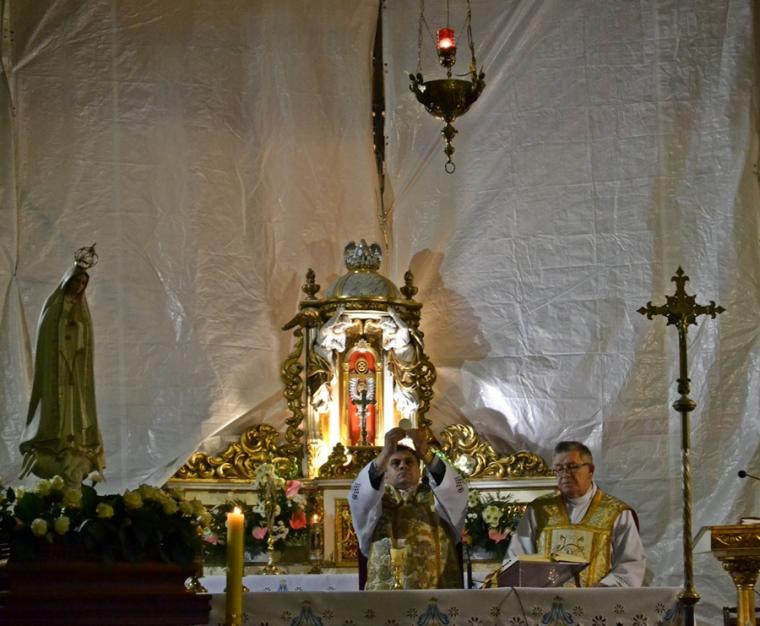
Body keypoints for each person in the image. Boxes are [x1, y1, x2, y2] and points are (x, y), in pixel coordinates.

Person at [504, 441, 645, 587]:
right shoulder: (537, 510)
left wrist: (604, 587)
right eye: (559, 469)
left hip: (597, 598)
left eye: (572, 467)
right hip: (546, 598)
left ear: (590, 470)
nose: (565, 474)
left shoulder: (617, 513)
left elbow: (631, 565)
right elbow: (516, 558)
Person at [19, 247, 105, 487]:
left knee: (74, 405)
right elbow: (48, 333)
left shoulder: (81, 309)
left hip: (74, 369)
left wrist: (78, 330)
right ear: (68, 280)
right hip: (56, 366)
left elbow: (86, 338)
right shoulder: (54, 304)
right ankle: (54, 441)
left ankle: (73, 443)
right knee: (57, 404)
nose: (79, 286)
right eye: (77, 281)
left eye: (83, 283)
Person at [349, 426, 468, 590]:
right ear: (385, 474)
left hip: (435, 590)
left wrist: (425, 452)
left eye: (409, 462)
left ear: (419, 470)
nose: (403, 466)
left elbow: (456, 492)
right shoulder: (376, 501)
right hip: (387, 593)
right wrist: (385, 453)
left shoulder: (438, 497)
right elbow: (359, 497)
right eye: (395, 463)